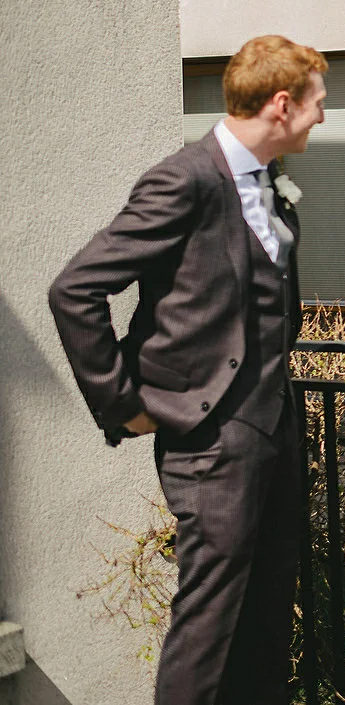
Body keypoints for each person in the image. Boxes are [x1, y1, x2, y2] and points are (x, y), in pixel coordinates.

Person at [49, 35, 327, 705]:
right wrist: (123, 401)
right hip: (210, 445)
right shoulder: (186, 178)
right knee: (206, 632)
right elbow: (76, 289)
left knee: (264, 622)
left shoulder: (265, 185)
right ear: (282, 105)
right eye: (319, 102)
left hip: (272, 432)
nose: (323, 115)